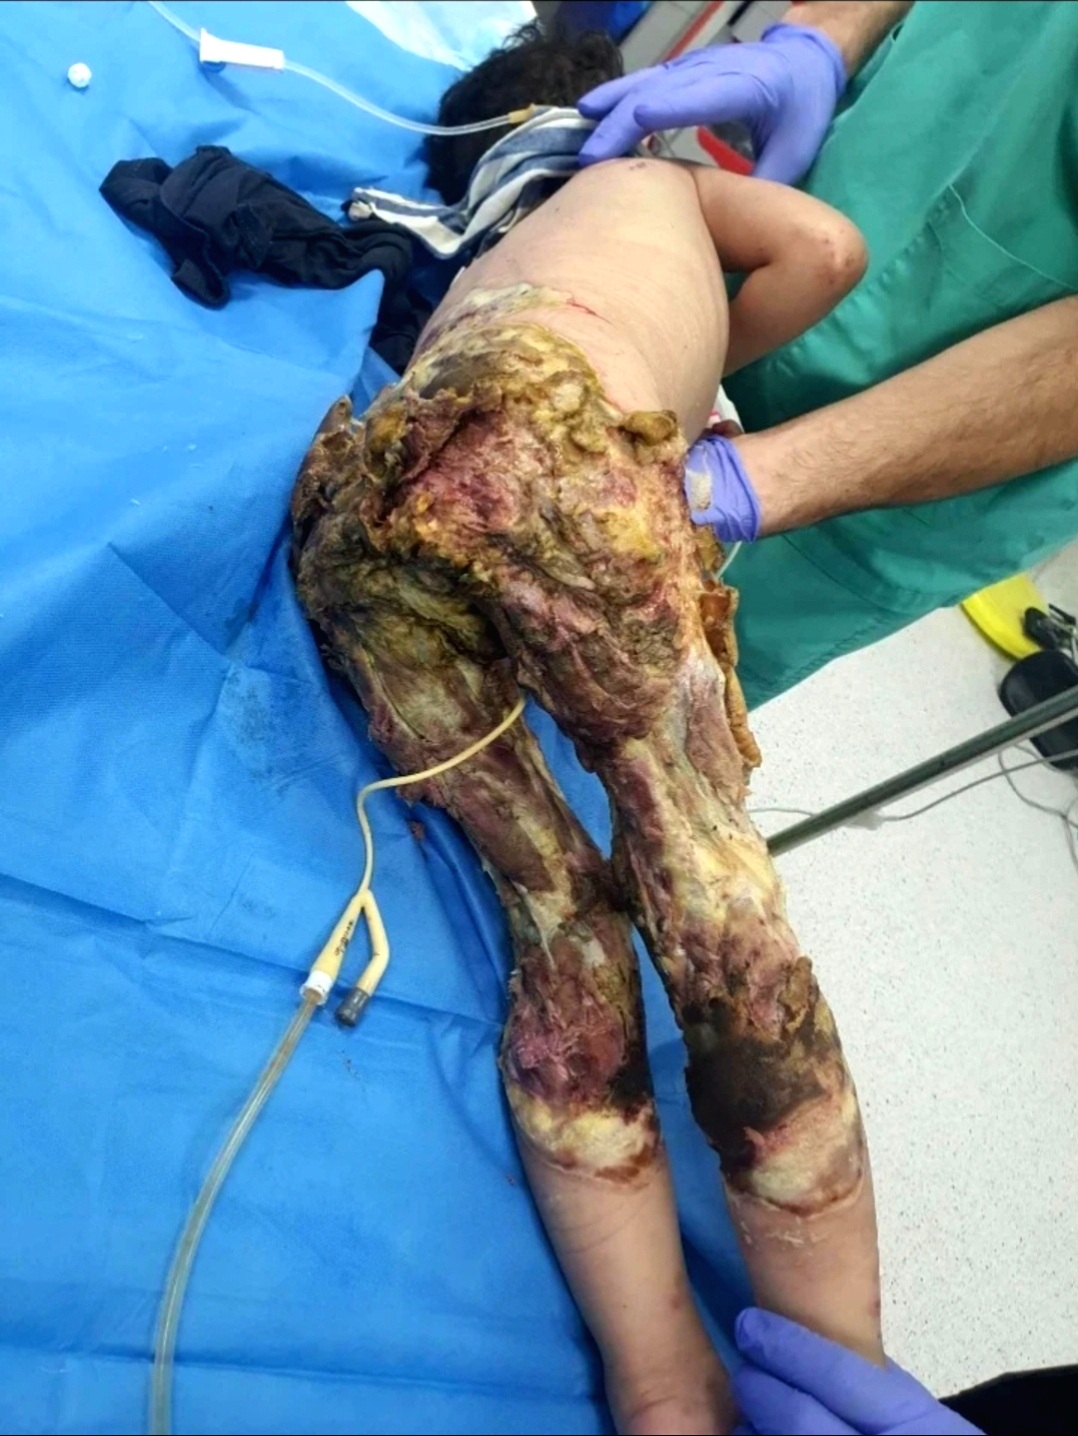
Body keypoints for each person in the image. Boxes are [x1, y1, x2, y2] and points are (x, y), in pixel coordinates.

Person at [295, 21, 888, 1436]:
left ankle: (657, 1378)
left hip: (369, 489)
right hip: (571, 458)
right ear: (632, 119)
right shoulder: (665, 178)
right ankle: (845, 1373)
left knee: (556, 918)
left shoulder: (500, 227)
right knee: (717, 918)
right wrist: (701, 361)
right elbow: (827, 253)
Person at [579, 0, 1078, 709]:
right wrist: (823, 34)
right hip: (861, 169)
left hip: (943, 454)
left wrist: (778, 477)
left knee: (612, 701)